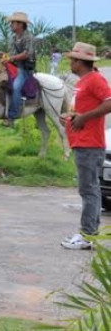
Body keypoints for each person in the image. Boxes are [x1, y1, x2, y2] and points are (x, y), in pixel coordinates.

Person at [59, 43, 111, 250]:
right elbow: (81, 113)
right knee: (89, 189)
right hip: (82, 143)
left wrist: (84, 118)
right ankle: (88, 233)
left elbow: (109, 102)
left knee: (89, 190)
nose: (70, 63)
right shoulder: (83, 82)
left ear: (80, 62)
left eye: (73, 60)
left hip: (90, 144)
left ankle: (88, 235)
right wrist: (71, 120)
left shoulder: (95, 80)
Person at [3, 11, 36, 126]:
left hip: (25, 68)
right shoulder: (13, 38)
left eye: (13, 23)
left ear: (21, 24)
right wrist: (5, 56)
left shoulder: (28, 37)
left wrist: (10, 58)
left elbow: (27, 54)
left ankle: (12, 116)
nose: (11, 25)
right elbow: (12, 55)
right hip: (14, 67)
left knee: (16, 87)